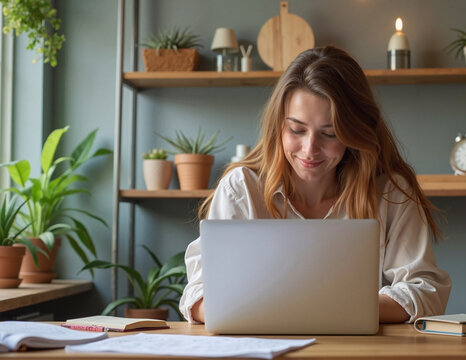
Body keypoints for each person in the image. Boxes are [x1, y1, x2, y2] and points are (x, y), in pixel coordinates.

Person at [179, 46, 451, 324]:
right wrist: (321, 308)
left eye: (330, 133)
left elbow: (425, 292)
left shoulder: (391, 193)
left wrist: (306, 308)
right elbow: (198, 296)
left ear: (355, 132)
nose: (310, 149)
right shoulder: (241, 189)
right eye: (296, 130)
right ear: (278, 126)